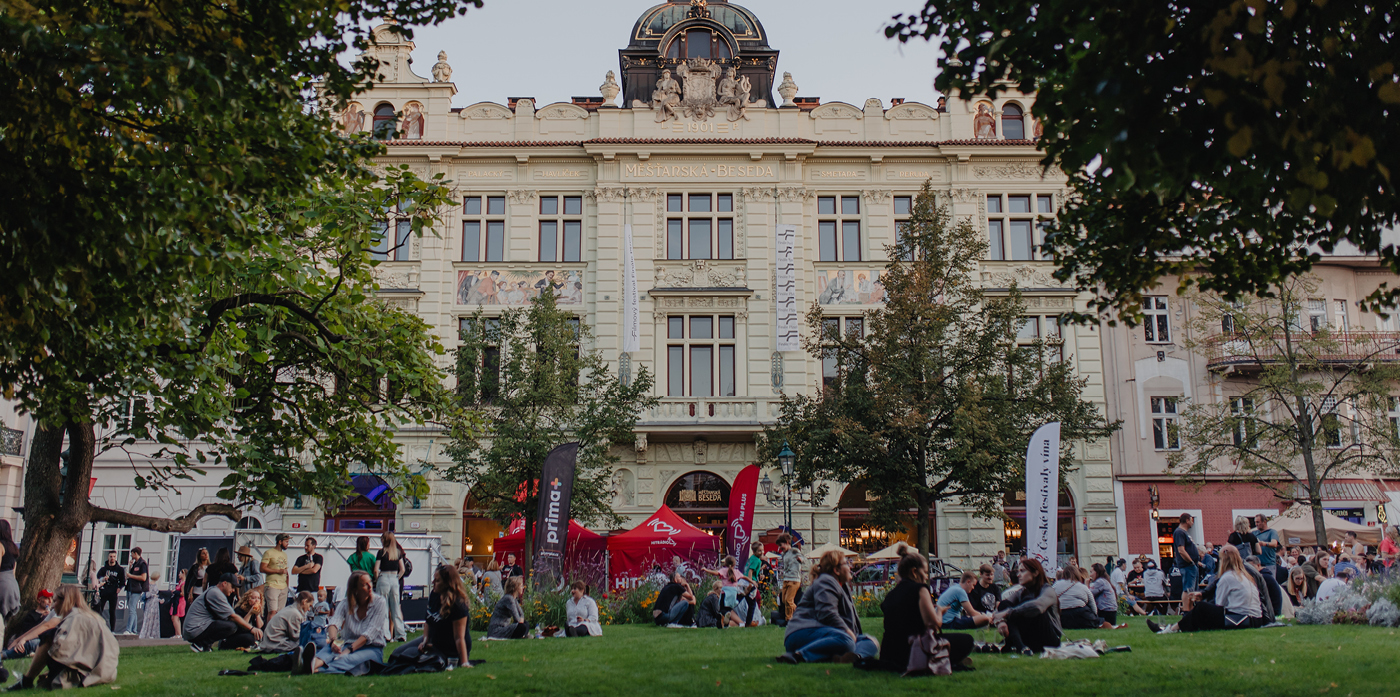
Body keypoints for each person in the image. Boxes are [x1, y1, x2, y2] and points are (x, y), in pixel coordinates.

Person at [877, 545, 973, 673]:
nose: (927, 577)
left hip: (889, 653)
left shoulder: (891, 594)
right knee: (966, 640)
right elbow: (933, 624)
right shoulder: (920, 589)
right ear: (914, 571)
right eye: (925, 572)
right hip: (913, 650)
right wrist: (940, 611)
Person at [6, 585, 118, 690]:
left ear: (65, 601)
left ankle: (27, 680)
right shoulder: (93, 617)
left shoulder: (73, 619)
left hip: (87, 674)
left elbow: (61, 649)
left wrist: (50, 667)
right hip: (107, 671)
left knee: (48, 636)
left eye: (55, 601)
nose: (53, 606)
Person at [777, 550, 878, 664]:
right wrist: (848, 633)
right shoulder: (826, 581)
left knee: (870, 641)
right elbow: (826, 613)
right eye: (846, 563)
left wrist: (852, 636)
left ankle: (854, 657)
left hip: (824, 633)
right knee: (847, 641)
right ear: (836, 570)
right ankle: (798, 655)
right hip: (802, 633)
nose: (851, 566)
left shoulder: (840, 585)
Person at [1149, 546, 1265, 633]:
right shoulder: (1245, 577)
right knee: (1201, 612)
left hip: (1241, 619)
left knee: (1201, 608)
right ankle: (1175, 628)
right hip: (1255, 619)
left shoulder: (1227, 578)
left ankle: (1172, 629)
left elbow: (1219, 604)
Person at [295, 570, 388, 675]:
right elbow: (334, 623)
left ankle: (310, 668)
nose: (370, 586)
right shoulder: (345, 603)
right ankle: (311, 664)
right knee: (329, 650)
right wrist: (333, 640)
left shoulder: (379, 602)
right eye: (364, 585)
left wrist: (349, 649)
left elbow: (370, 633)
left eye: (370, 582)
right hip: (347, 643)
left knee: (347, 659)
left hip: (371, 648)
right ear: (355, 589)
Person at [992, 558, 1061, 655]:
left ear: (1035, 573)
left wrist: (1007, 613)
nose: (1018, 575)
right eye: (1018, 571)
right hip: (1030, 635)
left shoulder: (1048, 590)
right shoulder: (1022, 591)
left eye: (1022, 571)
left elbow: (1038, 606)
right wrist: (1001, 622)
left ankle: (1015, 645)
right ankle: (1020, 646)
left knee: (1027, 604)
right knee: (1005, 604)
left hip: (1049, 638)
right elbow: (1003, 605)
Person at [184, 573, 262, 652]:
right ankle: (200, 644)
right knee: (232, 626)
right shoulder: (216, 593)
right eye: (232, 587)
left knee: (229, 624)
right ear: (224, 583)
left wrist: (257, 615)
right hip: (194, 629)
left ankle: (205, 646)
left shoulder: (214, 591)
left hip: (195, 628)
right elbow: (233, 616)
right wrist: (252, 628)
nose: (233, 590)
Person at [420, 565, 473, 665]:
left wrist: (465, 662)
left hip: (449, 648)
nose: (433, 583)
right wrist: (425, 641)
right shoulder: (434, 595)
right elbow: (428, 620)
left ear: (447, 583)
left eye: (437, 581)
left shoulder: (458, 604)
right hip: (435, 642)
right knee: (400, 652)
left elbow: (459, 638)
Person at [2, 588, 58, 668]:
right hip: (29, 639)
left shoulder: (53, 613)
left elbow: (47, 627)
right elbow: (33, 629)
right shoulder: (32, 614)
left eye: (51, 598)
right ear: (39, 600)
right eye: (46, 598)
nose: (50, 601)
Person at [374, 531, 407, 643]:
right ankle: (400, 634)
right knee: (396, 607)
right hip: (394, 578)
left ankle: (386, 635)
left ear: (385, 540)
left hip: (383, 577)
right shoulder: (397, 552)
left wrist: (376, 578)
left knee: (383, 607)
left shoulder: (381, 552)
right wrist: (397, 578)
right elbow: (402, 569)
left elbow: (376, 569)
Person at [261, 533, 292, 617]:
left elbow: (286, 571)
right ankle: (269, 630)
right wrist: (278, 571)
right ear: (280, 542)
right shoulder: (269, 552)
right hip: (272, 585)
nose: (287, 544)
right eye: (286, 542)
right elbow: (262, 568)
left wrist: (287, 586)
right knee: (272, 611)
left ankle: (277, 629)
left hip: (283, 586)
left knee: (280, 613)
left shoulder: (284, 555)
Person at [92, 551, 124, 631]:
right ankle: (97, 627)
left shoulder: (119, 569)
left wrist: (119, 588)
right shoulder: (103, 569)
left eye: (113, 556)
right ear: (108, 557)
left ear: (116, 558)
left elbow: (123, 581)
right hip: (104, 591)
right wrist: (103, 579)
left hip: (113, 592)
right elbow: (98, 578)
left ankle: (112, 630)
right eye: (111, 556)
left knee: (112, 611)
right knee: (100, 609)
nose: (112, 558)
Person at [1174, 514, 1204, 596]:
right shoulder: (1179, 532)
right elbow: (1181, 550)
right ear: (1187, 520)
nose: (1192, 523)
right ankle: (1187, 608)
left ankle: (1191, 607)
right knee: (1188, 589)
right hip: (1187, 566)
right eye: (1191, 521)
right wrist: (1191, 562)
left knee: (1192, 590)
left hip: (1192, 565)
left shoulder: (1184, 533)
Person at [776, 534, 802, 625]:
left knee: (788, 600)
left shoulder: (794, 551)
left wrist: (800, 560)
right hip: (786, 579)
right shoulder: (784, 554)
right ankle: (800, 613)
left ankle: (789, 619)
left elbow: (803, 558)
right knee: (784, 600)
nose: (780, 548)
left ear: (787, 543)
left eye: (781, 545)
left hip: (794, 579)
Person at [0, 520, 19, 621]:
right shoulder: (13, 547)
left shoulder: (0, 545)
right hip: (12, 585)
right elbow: (13, 571)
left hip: (2, 583)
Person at [137, 571, 163, 640]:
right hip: (150, 603)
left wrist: (159, 600)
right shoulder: (149, 584)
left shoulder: (154, 584)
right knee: (148, 618)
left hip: (155, 604)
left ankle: (152, 634)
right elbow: (147, 594)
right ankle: (146, 634)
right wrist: (153, 595)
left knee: (154, 618)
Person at [170, 568, 188, 637]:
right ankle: (177, 633)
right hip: (176, 601)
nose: (179, 575)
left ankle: (179, 634)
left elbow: (183, 594)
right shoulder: (180, 582)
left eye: (180, 573)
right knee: (173, 617)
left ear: (183, 574)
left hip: (180, 602)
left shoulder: (183, 583)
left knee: (175, 617)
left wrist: (175, 592)